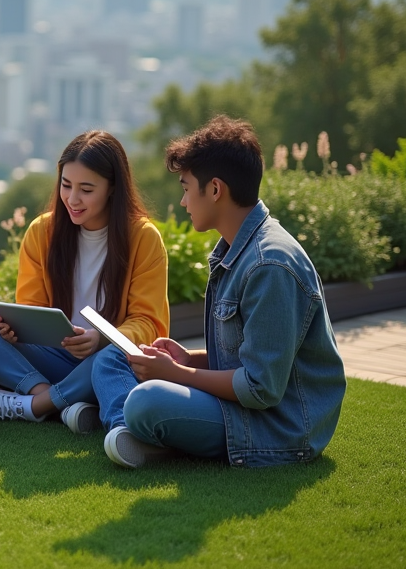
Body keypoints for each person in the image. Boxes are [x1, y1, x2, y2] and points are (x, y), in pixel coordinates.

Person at [93, 115, 346, 468]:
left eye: (186, 188)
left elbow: (260, 388)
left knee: (146, 401)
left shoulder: (269, 265)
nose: (183, 202)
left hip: (279, 428)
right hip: (244, 409)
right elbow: (245, 356)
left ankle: (138, 430)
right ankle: (137, 432)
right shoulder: (236, 249)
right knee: (115, 359)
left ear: (214, 190)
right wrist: (188, 359)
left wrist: (175, 374)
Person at [0, 131, 169, 434]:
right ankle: (55, 398)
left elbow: (149, 323)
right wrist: (14, 328)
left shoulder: (144, 237)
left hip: (108, 363)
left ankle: (35, 407)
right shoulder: (41, 232)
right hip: (54, 355)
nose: (72, 199)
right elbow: (31, 311)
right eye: (66, 185)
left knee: (109, 358)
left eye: (86, 189)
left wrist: (101, 338)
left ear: (112, 188)